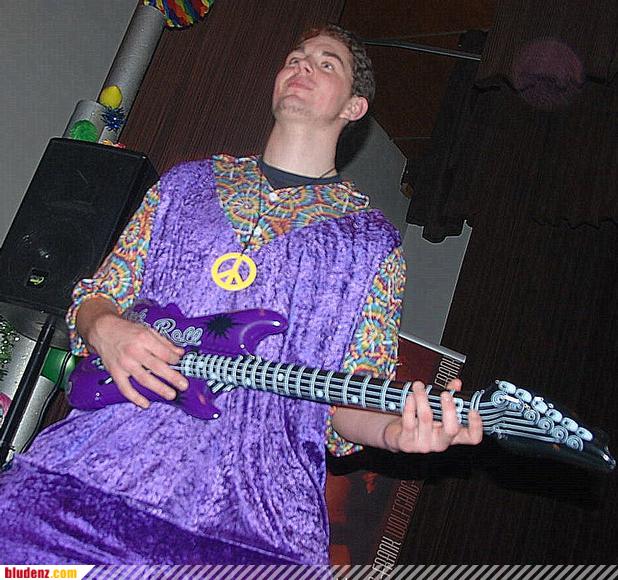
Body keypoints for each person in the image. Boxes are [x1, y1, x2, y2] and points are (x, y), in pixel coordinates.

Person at [0, 24, 482, 564]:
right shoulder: (185, 184)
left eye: (327, 63)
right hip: (85, 477)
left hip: (254, 523)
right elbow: (98, 295)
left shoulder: (373, 245)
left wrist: (395, 431)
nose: (302, 65)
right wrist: (105, 328)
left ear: (354, 107)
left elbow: (345, 406)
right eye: (295, 57)